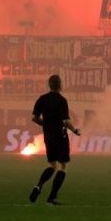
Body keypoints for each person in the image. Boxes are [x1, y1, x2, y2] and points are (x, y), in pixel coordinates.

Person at [28, 75, 80, 205]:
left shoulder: (42, 99)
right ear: (60, 85)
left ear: (49, 85)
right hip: (60, 136)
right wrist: (75, 130)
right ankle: (51, 198)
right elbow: (66, 120)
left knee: (52, 165)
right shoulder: (62, 100)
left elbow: (34, 118)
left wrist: (46, 125)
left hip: (48, 136)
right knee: (63, 166)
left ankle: (38, 186)